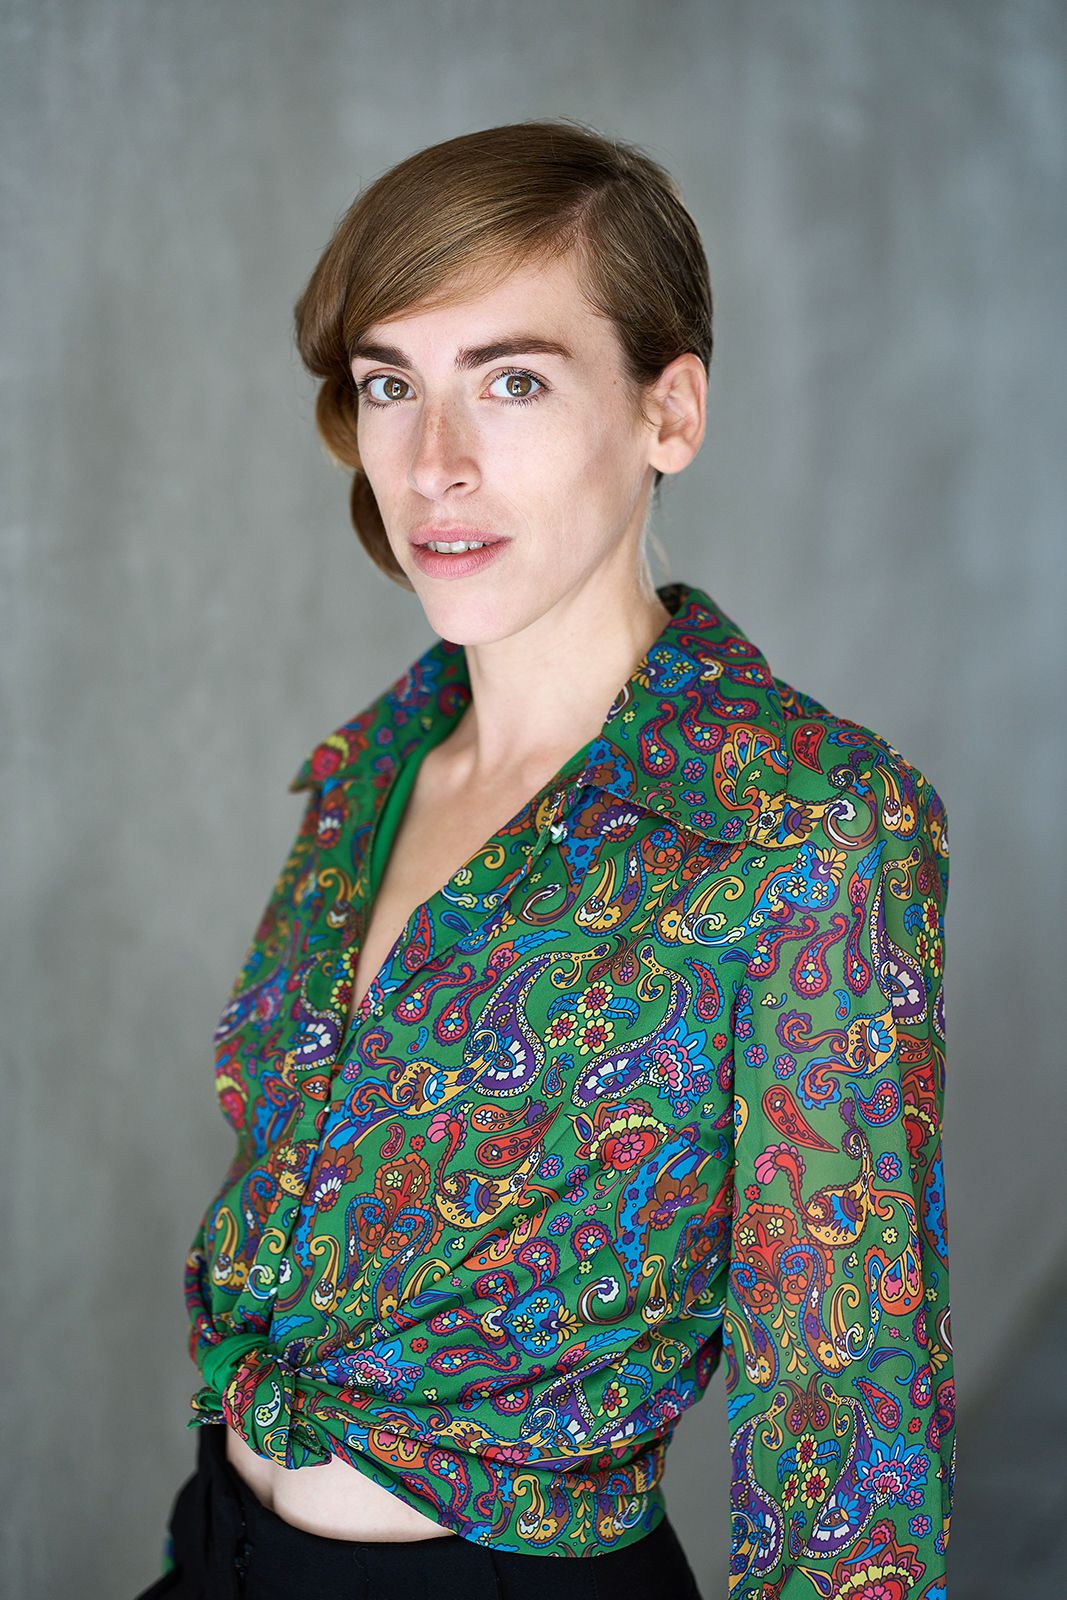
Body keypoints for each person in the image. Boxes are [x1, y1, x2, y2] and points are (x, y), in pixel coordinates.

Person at [136, 118, 954, 1599]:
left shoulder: (806, 826)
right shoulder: (371, 772)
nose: (433, 464)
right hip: (219, 1546)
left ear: (668, 413)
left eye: (512, 380)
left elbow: (845, 1428)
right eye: (392, 384)